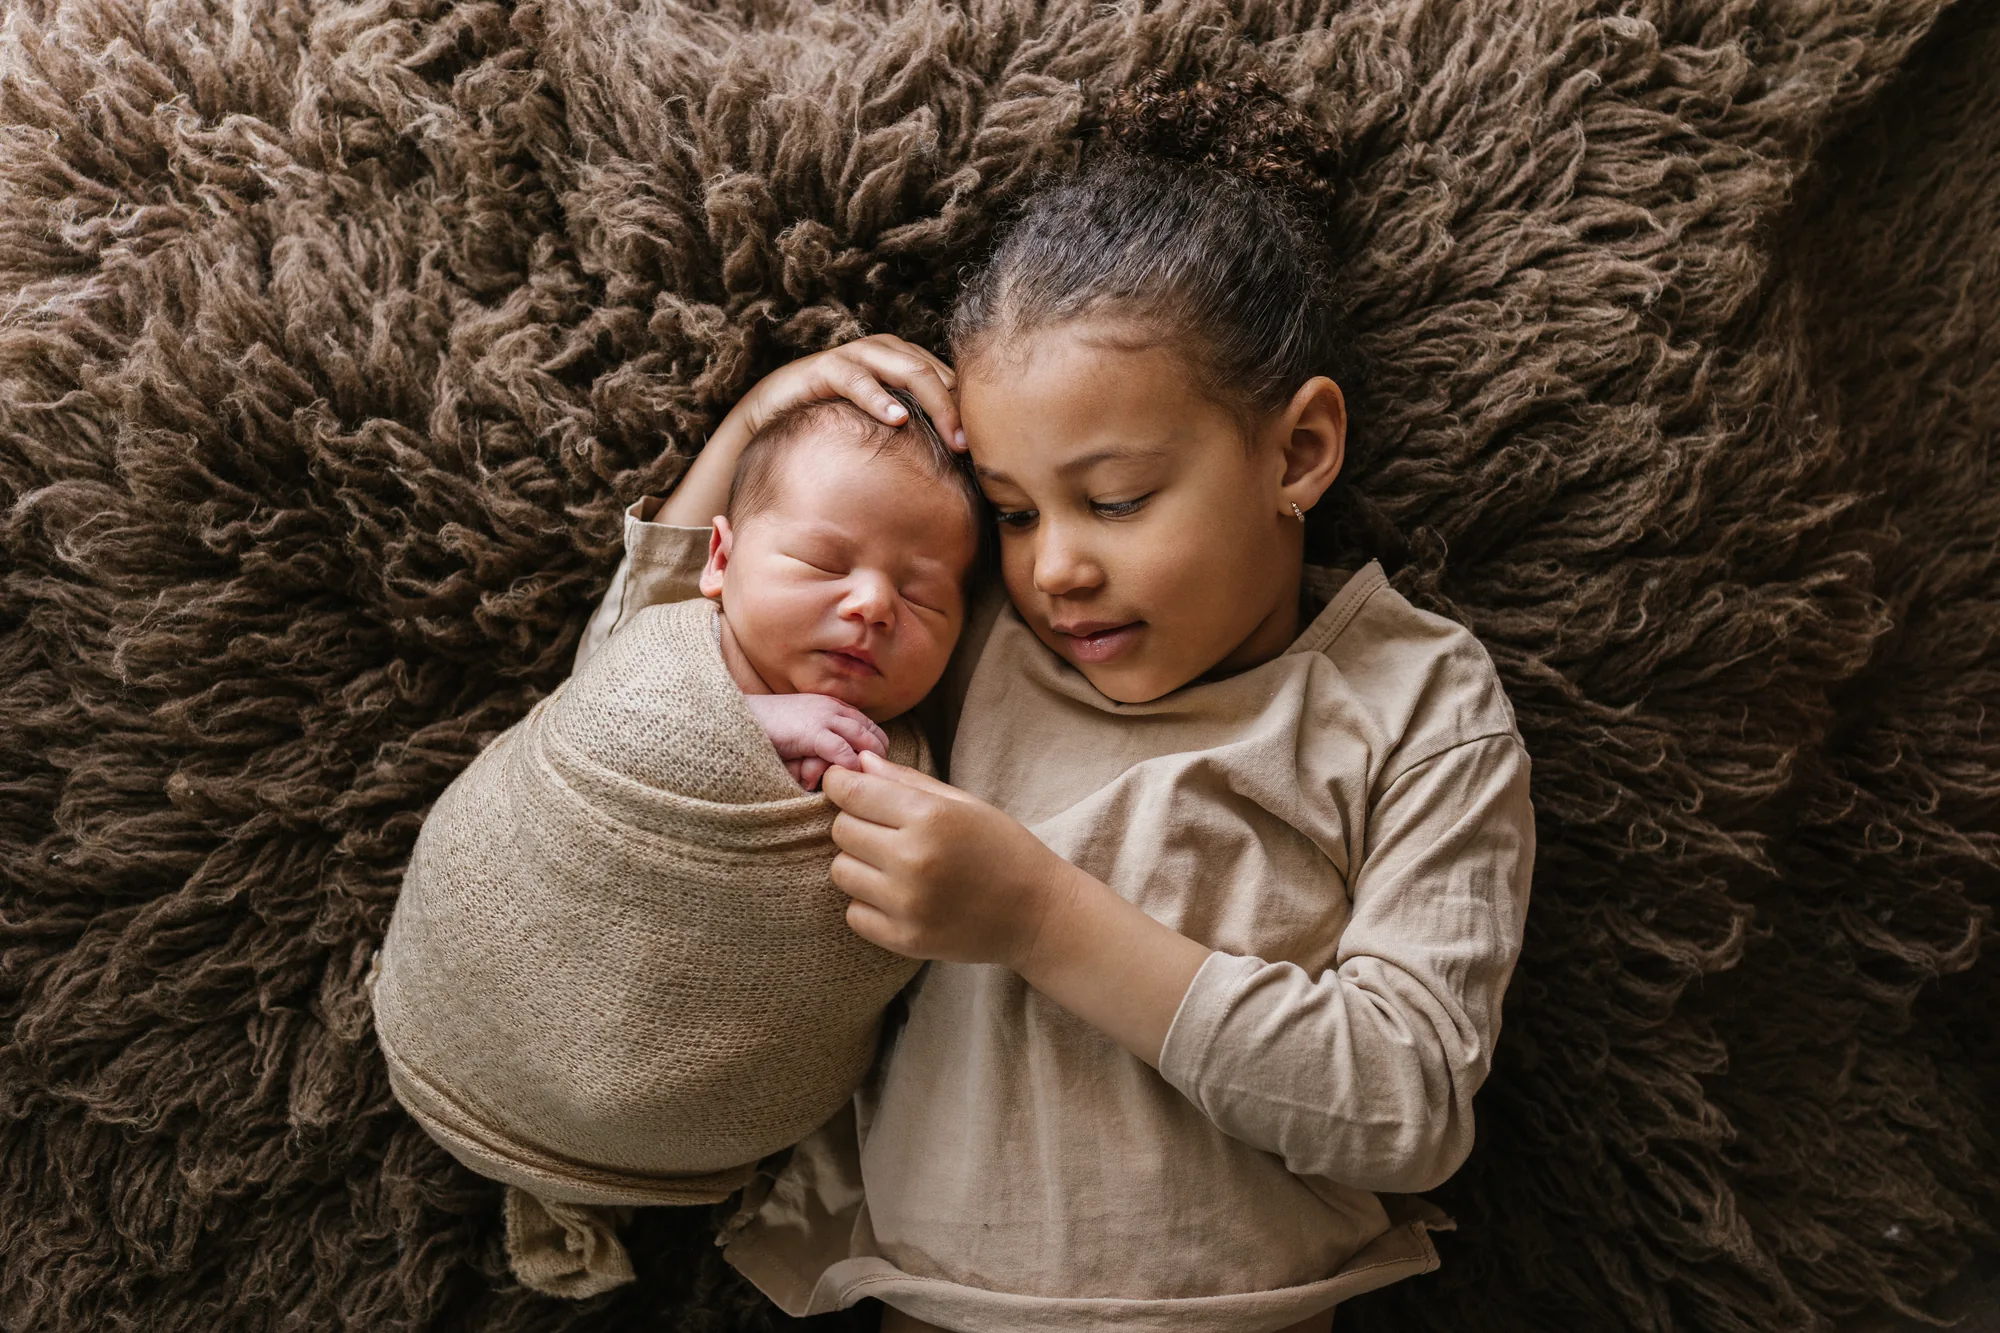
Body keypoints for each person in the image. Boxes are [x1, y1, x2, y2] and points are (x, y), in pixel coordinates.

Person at [574, 152, 1535, 1333]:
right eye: (1016, 513)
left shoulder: (1412, 703)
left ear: (1296, 452)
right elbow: (618, 740)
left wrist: (1037, 915)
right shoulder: (964, 643)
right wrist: (755, 425)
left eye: (1117, 499)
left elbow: (1407, 1106)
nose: (1055, 568)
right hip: (935, 1298)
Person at [369, 392, 985, 1297]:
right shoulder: (664, 637)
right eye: (824, 560)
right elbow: (609, 710)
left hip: (703, 1094)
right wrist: (748, 724)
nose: (871, 604)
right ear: (722, 560)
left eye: (924, 593)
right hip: (490, 986)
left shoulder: (917, 758)